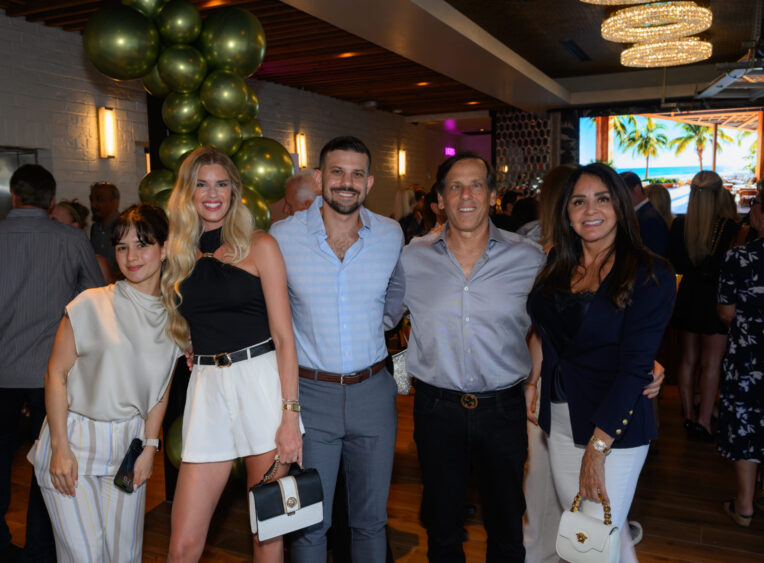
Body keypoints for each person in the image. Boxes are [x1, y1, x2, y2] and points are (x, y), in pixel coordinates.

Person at [384, 152, 546, 561]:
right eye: (455, 186)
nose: (466, 195)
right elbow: (385, 322)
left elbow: (552, 327)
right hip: (436, 409)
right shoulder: (411, 257)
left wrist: (533, 381)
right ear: (440, 199)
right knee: (441, 528)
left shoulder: (528, 258)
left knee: (507, 525)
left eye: (476, 185)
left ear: (492, 195)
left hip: (504, 411)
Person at [527, 163, 676, 563]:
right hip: (559, 417)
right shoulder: (558, 259)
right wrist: (531, 379)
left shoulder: (650, 272)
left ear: (620, 206)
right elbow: (547, 328)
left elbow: (634, 367)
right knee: (594, 535)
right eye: (579, 201)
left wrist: (597, 449)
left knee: (586, 543)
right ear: (567, 212)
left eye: (602, 198)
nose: (590, 209)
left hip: (614, 426)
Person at [0, 164, 104, 562]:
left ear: (13, 196)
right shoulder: (72, 240)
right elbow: (95, 302)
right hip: (53, 375)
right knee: (49, 457)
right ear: (51, 200)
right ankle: (41, 550)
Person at [164, 147, 302, 563]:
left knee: (268, 534)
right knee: (183, 544)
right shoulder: (179, 253)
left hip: (261, 386)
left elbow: (284, 338)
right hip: (206, 388)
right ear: (187, 193)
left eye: (221, 184)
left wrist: (290, 417)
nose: (212, 193)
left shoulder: (261, 246)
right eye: (201, 184)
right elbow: (187, 317)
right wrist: (191, 342)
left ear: (234, 192)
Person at [270, 136, 403, 562]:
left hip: (373, 393)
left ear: (370, 182)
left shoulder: (390, 234)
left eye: (357, 174)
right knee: (309, 524)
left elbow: (394, 302)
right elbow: (263, 310)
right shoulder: (282, 237)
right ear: (318, 177)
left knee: (370, 521)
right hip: (310, 398)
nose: (347, 182)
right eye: (337, 172)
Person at [28, 204, 177, 561]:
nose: (131, 256)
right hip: (74, 440)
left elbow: (160, 390)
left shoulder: (176, 319)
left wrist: (151, 447)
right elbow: (55, 374)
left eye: (143, 244)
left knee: (124, 555)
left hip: (129, 447)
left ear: (165, 248)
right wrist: (60, 448)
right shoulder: (91, 303)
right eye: (122, 247)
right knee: (87, 556)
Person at [667, 171, 739, 441]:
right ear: (719, 193)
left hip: (687, 295)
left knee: (687, 360)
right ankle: (704, 420)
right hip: (716, 298)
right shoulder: (730, 227)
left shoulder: (680, 226)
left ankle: (688, 415)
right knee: (711, 363)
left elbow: (674, 263)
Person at [717, 189, 764, 527]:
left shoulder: (740, 258)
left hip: (749, 357)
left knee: (747, 424)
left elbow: (726, 312)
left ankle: (744, 506)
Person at [50, 199, 114, 283]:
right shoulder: (47, 260)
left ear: (74, 227)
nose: (48, 226)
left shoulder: (97, 264)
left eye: (54, 222)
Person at [620, 171, 669, 256]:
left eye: (622, 193)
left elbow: (655, 258)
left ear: (637, 189)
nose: (619, 197)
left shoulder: (650, 219)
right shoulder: (644, 213)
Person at [89, 181, 120, 274]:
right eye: (91, 200)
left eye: (99, 199)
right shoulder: (95, 228)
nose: (93, 205)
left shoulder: (123, 227)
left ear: (114, 201)